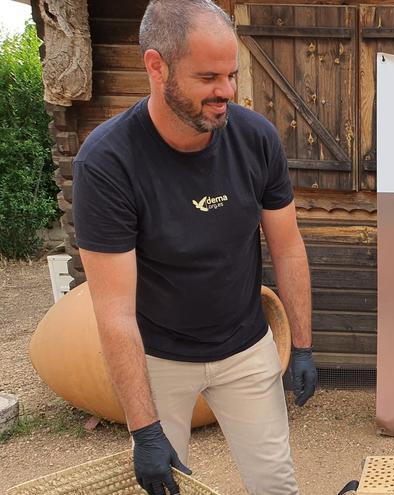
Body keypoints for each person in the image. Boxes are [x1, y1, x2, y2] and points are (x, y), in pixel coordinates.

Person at [72, 1, 317, 493]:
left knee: (276, 485)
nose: (226, 91)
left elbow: (288, 248)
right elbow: (114, 311)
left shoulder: (256, 139)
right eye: (208, 77)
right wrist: (144, 430)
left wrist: (305, 346)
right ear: (156, 66)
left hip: (246, 347)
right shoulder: (107, 163)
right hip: (159, 357)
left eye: (231, 74)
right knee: (162, 485)